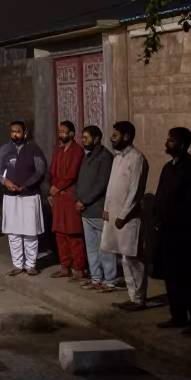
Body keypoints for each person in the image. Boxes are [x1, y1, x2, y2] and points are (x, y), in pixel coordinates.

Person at [150, 127, 191, 334]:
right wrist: (157, 218)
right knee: (171, 275)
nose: (167, 143)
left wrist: (169, 220)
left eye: (171, 140)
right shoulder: (168, 168)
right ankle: (178, 315)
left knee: (190, 277)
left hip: (184, 232)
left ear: (182, 144)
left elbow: (190, 203)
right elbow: (160, 196)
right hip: (166, 232)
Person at [101, 121, 149, 311]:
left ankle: (139, 299)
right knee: (124, 257)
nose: (112, 137)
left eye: (116, 134)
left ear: (127, 136)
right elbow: (112, 186)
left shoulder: (137, 159)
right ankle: (132, 296)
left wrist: (123, 215)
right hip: (114, 216)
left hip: (128, 219)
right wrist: (106, 208)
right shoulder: (117, 157)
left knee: (133, 258)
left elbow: (135, 191)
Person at [0, 121, 47, 276]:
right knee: (13, 232)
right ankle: (18, 264)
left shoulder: (33, 148)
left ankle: (30, 265)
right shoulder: (5, 149)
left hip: (29, 195)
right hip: (11, 196)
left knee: (30, 231)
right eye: (12, 131)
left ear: (25, 132)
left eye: (18, 131)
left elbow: (41, 170)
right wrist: (5, 181)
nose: (15, 134)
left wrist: (27, 184)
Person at [75, 125, 117, 292]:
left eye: (86, 138)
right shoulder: (87, 156)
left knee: (104, 247)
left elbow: (101, 184)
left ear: (97, 139)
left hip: (97, 209)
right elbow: (80, 180)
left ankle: (110, 280)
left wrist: (84, 200)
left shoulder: (105, 157)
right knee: (91, 247)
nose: (83, 141)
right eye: (83, 137)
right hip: (85, 211)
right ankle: (96, 278)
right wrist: (77, 198)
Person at [49, 120, 86, 279]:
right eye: (59, 131)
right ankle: (65, 266)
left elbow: (72, 174)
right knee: (59, 233)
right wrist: (53, 190)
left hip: (70, 195)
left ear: (71, 133)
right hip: (58, 197)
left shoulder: (77, 151)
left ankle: (79, 267)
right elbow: (52, 171)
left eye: (63, 131)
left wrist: (58, 188)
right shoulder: (58, 151)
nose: (60, 134)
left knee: (73, 232)